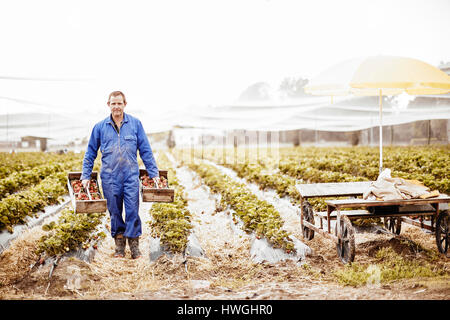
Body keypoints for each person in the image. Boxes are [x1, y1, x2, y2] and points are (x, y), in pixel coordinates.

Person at [81, 91, 160, 259]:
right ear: (108, 105)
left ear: (125, 104)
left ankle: (134, 245)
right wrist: (85, 175)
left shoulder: (135, 124)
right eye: (113, 103)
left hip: (131, 175)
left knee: (132, 210)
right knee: (115, 211)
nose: (116, 106)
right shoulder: (100, 127)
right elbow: (90, 153)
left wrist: (154, 173)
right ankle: (119, 246)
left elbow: (145, 150)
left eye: (119, 103)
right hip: (110, 177)